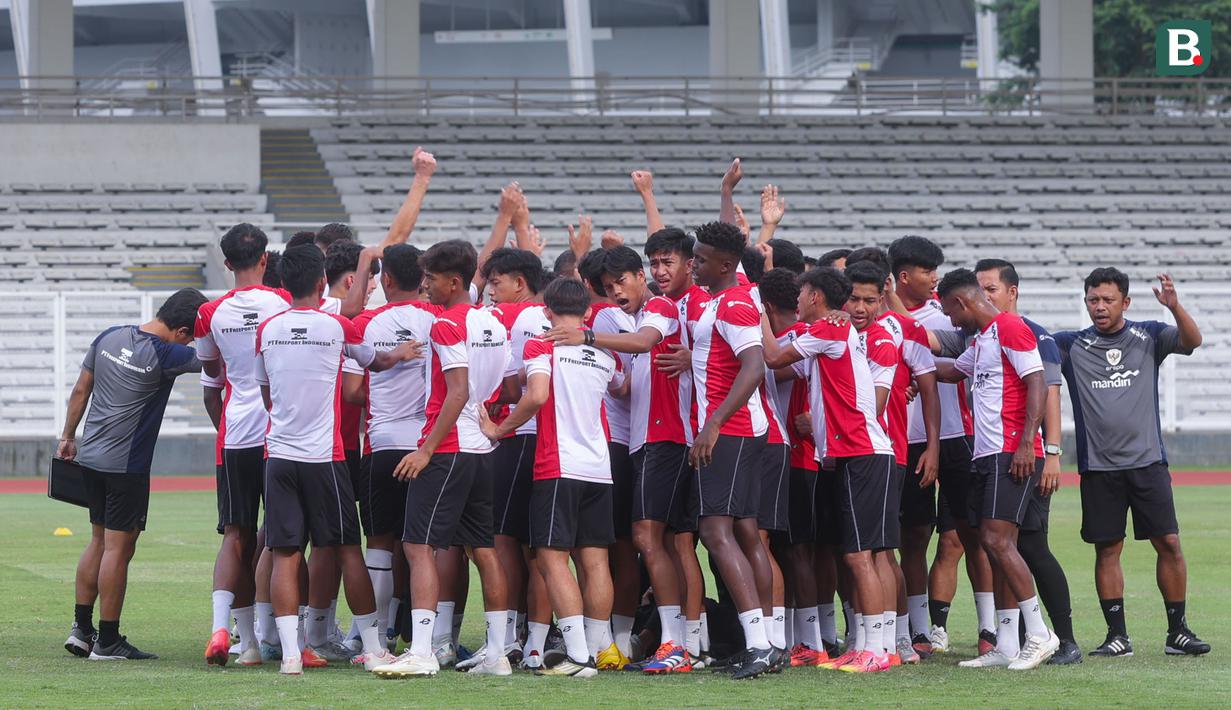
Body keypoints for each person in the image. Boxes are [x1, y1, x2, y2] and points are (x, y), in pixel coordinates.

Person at [254, 245, 415, 675]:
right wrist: (401, 355)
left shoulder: (267, 330)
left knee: (285, 552)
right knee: (348, 551)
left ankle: (292, 653)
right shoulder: (337, 326)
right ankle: (375, 648)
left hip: (279, 454)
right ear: (323, 283)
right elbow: (375, 363)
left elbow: (266, 394)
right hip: (324, 457)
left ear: (284, 284)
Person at [373, 240, 514, 679]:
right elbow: (508, 389)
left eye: (431, 279)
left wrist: (426, 449)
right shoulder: (491, 323)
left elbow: (455, 391)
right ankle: (497, 654)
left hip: (449, 447)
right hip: (480, 449)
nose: (425, 286)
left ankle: (422, 650)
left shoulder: (447, 326)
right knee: (484, 550)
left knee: (418, 546)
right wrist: (489, 423)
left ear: (454, 281)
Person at [1053, 268, 1208, 657]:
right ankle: (1117, 635)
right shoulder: (1070, 345)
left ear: (1126, 301)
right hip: (1099, 467)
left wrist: (1175, 307)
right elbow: (1027, 346)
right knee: (1107, 549)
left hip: (1147, 462)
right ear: (1085, 301)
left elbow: (1193, 340)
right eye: (1093, 300)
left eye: (1108, 300)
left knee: (1169, 543)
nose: (1100, 307)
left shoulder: (1150, 335)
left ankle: (1178, 632)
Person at [479, 278, 625, 677]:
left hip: (558, 465)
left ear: (546, 312)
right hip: (600, 468)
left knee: (551, 557)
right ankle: (595, 650)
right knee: (595, 561)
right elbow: (622, 386)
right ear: (588, 314)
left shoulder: (540, 345)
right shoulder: (604, 353)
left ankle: (577, 657)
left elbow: (537, 394)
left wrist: (499, 429)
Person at [761, 267, 899, 674]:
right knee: (863, 555)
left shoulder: (830, 331)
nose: (797, 299)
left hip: (863, 453)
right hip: (858, 453)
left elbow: (771, 356)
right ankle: (872, 647)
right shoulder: (830, 334)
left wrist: (758, 313)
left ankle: (874, 650)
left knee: (860, 558)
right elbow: (783, 364)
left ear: (816, 296)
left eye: (802, 292)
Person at [60, 288, 209, 661]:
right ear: (182, 331)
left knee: (97, 541)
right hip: (126, 466)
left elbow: (81, 390)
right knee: (118, 549)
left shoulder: (108, 336)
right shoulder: (169, 353)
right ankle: (108, 640)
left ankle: (81, 630)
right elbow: (214, 362)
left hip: (91, 457)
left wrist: (67, 437)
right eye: (192, 334)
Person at [930, 268, 1058, 670]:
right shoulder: (984, 339)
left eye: (948, 311)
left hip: (1011, 452)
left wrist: (1026, 443)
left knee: (997, 540)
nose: (949, 321)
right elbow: (951, 371)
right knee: (993, 544)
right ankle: (1005, 642)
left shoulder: (1011, 328)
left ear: (960, 303)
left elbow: (1036, 380)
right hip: (985, 455)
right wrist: (905, 349)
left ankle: (1040, 634)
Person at [687, 221, 785, 680]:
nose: (694, 263)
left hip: (731, 432)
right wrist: (728, 194)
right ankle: (770, 640)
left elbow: (753, 366)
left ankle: (760, 644)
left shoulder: (732, 305)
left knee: (715, 532)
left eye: (701, 259)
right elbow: (731, 239)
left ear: (725, 266)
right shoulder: (734, 291)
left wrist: (713, 424)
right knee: (746, 533)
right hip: (743, 430)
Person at [971, 259, 1081, 665]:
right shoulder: (983, 335)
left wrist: (1051, 454)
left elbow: (1049, 391)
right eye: (979, 290)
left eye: (991, 289)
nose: (984, 297)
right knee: (1007, 544)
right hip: (1004, 451)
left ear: (1011, 292)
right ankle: (1012, 641)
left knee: (1031, 545)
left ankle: (1062, 638)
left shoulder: (1034, 334)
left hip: (1027, 454)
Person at [887, 236, 992, 655]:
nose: (935, 279)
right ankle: (918, 630)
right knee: (911, 538)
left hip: (953, 438)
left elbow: (921, 339)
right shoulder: (875, 315)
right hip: (904, 442)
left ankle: (989, 629)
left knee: (969, 536)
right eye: (928, 271)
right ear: (904, 276)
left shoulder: (946, 313)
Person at [194, 223, 290, 667]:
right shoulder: (284, 302)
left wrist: (225, 428)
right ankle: (283, 635)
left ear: (227, 262)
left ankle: (234, 635)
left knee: (235, 535)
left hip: (235, 434)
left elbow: (210, 379)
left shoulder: (210, 313)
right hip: (279, 433)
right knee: (278, 535)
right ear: (266, 259)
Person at [340, 244, 438, 653]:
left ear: (389, 280)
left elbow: (350, 391)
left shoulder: (364, 322)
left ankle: (373, 637)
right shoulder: (438, 319)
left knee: (380, 541)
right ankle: (435, 639)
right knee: (422, 544)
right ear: (424, 279)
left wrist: (381, 394)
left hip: (382, 444)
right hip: (429, 445)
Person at [483, 247, 551, 669]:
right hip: (545, 441)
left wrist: (478, 396)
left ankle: (506, 638)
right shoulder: (546, 316)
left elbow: (515, 387)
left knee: (503, 540)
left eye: (496, 283)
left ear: (519, 283)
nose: (491, 291)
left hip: (520, 435)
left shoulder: (524, 320)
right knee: (538, 547)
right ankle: (534, 643)